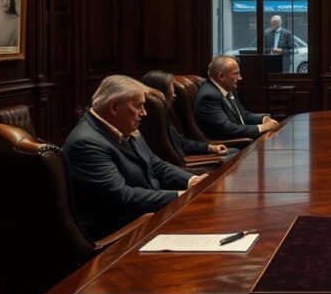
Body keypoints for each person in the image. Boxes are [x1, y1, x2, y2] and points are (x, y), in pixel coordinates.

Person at [63, 75, 207, 240]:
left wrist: (192, 181)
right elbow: (123, 196)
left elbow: (156, 165)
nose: (144, 113)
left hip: (150, 214)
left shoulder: (123, 127)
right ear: (115, 107)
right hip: (126, 231)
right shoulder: (86, 143)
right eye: (139, 106)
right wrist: (180, 195)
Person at [141, 70, 231, 160]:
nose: (174, 96)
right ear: (161, 93)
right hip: (181, 167)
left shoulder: (165, 114)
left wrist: (210, 147)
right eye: (170, 92)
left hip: (183, 162)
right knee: (230, 155)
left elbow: (180, 142)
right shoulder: (150, 122)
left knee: (232, 152)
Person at [194, 55, 280, 141]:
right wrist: (261, 127)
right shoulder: (209, 96)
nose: (240, 78)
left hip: (241, 140)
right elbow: (227, 129)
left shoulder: (227, 89)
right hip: (229, 145)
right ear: (221, 76)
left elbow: (243, 116)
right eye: (235, 74)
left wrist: (263, 119)